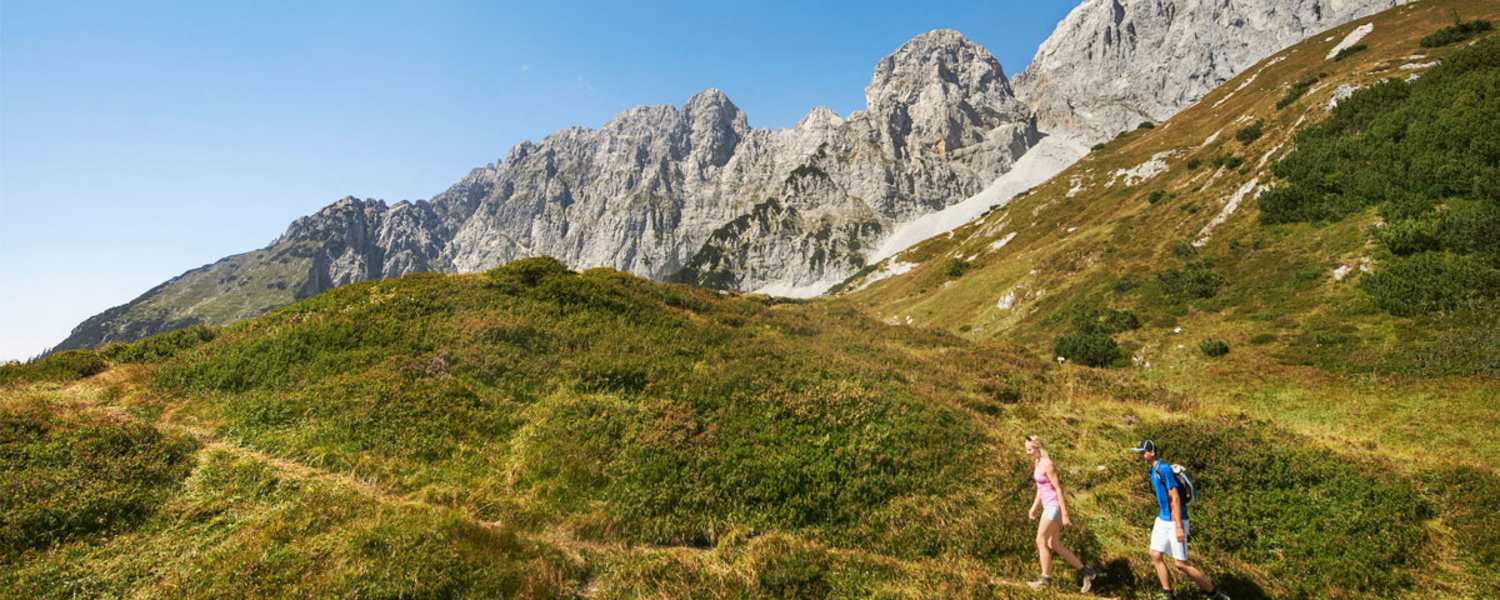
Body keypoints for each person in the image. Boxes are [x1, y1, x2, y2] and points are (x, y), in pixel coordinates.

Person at [1131, 439, 1230, 600]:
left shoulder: (1163, 469)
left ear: (1152, 452)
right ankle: (1168, 594)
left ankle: (1215, 594)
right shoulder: (1153, 470)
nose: (1141, 456)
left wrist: (1178, 527)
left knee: (1181, 564)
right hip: (1162, 519)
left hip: (1176, 520)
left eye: (1143, 452)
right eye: (1140, 453)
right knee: (1155, 554)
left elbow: (1175, 498)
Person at [1025, 435, 1099, 592]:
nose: (1028, 452)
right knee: (1054, 544)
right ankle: (1086, 572)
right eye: (1026, 449)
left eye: (1030, 449)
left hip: (1054, 507)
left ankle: (1045, 579)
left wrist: (1065, 514)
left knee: (1040, 540)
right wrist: (1034, 508)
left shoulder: (1047, 464)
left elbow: (1058, 488)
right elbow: (1040, 488)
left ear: (1038, 448)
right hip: (1047, 507)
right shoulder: (1037, 463)